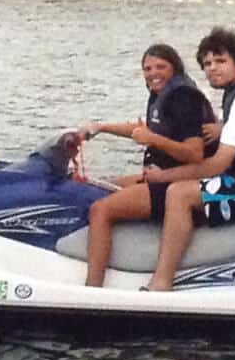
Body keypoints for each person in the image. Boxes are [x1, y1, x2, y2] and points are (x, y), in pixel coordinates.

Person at [143, 27, 235, 291]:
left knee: (179, 193)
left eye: (220, 61)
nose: (212, 68)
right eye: (207, 64)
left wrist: (163, 176)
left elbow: (217, 165)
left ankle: (162, 281)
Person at [78, 44, 214, 287]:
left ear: (175, 68)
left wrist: (152, 139)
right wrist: (101, 127)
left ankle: (92, 288)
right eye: (147, 69)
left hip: (177, 182)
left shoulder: (184, 98)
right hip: (158, 175)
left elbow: (194, 153)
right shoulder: (162, 94)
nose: (153, 73)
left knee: (100, 209)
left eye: (161, 67)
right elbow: (144, 130)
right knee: (102, 186)